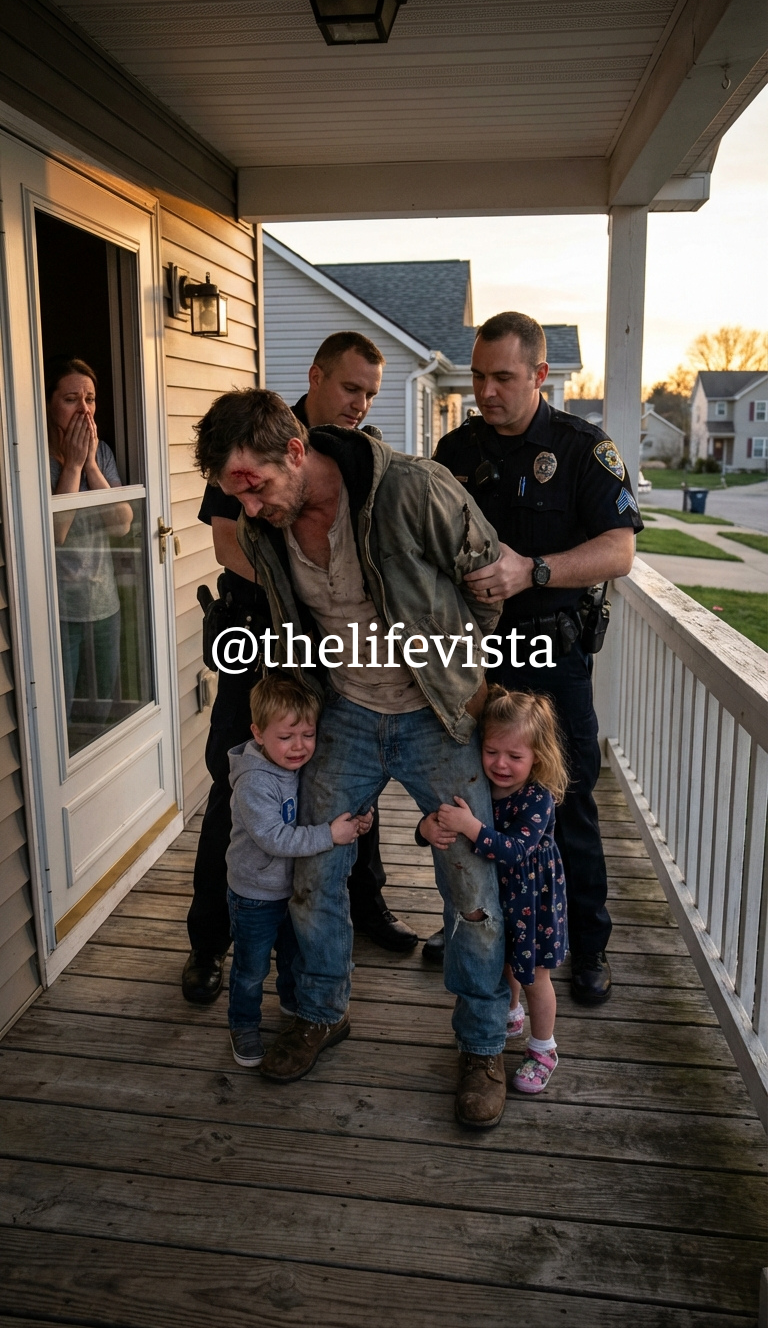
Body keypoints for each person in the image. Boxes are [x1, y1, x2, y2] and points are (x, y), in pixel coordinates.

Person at [193, 388, 512, 1130]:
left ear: (295, 450)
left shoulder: (413, 487)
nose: (249, 506)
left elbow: (488, 581)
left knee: (471, 884)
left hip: (436, 715)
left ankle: (482, 1044)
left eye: (255, 485)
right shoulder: (263, 522)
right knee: (313, 874)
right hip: (342, 713)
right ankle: (321, 1011)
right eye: (237, 492)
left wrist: (457, 671)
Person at [182, 331, 417, 1008]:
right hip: (260, 638)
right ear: (315, 377)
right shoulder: (251, 438)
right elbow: (228, 542)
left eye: (370, 393)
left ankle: (367, 907)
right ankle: (209, 941)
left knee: (352, 776)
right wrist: (302, 592)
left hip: (333, 649)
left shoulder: (355, 457)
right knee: (237, 781)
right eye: (350, 387)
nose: (360, 403)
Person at [430, 312, 642, 1004]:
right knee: (470, 791)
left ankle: (588, 943)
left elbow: (619, 550)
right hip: (474, 657)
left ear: (540, 375)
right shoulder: (455, 450)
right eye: (477, 377)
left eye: (503, 378)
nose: (485, 392)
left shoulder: (583, 448)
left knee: (567, 797)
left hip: (552, 653)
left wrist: (533, 571)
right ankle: (470, 926)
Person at [418, 686, 568, 1095]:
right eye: (491, 752)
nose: (501, 764)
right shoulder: (476, 786)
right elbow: (437, 820)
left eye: (515, 756)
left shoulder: (537, 798)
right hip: (498, 896)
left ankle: (544, 1049)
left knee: (534, 976)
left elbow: (516, 850)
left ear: (538, 757)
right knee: (500, 960)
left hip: (531, 899)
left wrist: (471, 827)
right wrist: (425, 828)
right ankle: (509, 1011)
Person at [226, 674, 371, 1067]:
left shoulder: (301, 765)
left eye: (308, 735)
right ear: (258, 733)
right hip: (255, 894)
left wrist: (358, 819)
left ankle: (291, 1004)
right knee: (251, 967)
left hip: (292, 889)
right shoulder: (254, 782)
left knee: (293, 954)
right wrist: (330, 835)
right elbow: (274, 838)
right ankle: (243, 1023)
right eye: (286, 736)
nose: (299, 746)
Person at [46, 358, 132, 730]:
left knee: (98, 711)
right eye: (71, 399)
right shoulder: (36, 459)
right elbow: (55, 533)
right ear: (48, 404)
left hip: (104, 604)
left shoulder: (103, 453)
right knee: (61, 712)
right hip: (60, 610)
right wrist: (73, 466)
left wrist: (92, 465)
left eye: (90, 399)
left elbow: (122, 524)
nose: (84, 409)